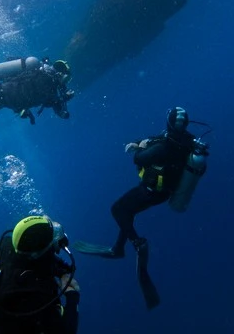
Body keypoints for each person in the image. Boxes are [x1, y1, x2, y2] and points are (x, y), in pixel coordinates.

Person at [75, 107, 208, 309]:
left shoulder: (164, 147)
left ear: (169, 122)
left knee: (118, 209)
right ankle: (118, 248)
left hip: (150, 191)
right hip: (164, 192)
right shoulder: (187, 141)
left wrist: (138, 148)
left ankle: (138, 244)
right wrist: (140, 142)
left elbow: (139, 159)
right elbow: (156, 139)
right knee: (128, 212)